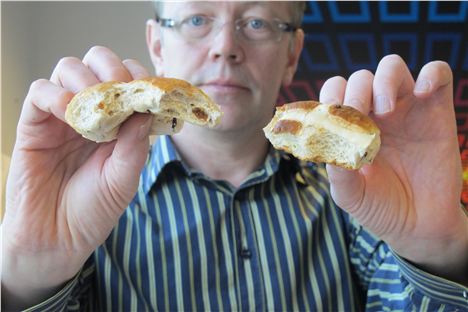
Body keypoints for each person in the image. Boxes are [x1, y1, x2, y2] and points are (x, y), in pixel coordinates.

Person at [2, 1, 467, 311]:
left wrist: (438, 252)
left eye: (258, 21)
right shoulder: (88, 212)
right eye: (197, 19)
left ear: (291, 54)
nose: (226, 47)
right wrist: (30, 275)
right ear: (158, 46)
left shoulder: (358, 195)